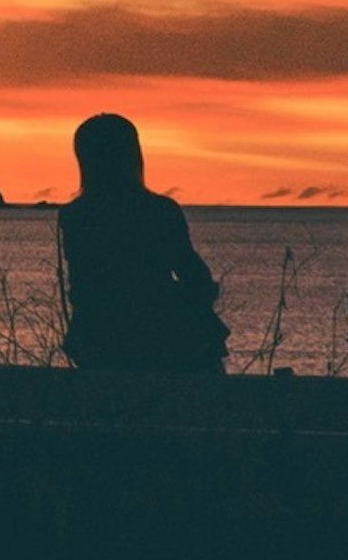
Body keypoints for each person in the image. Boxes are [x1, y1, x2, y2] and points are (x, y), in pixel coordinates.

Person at [56, 112, 227, 374]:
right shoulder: (159, 210)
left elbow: (84, 287)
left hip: (98, 341)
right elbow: (194, 275)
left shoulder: (75, 216)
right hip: (160, 338)